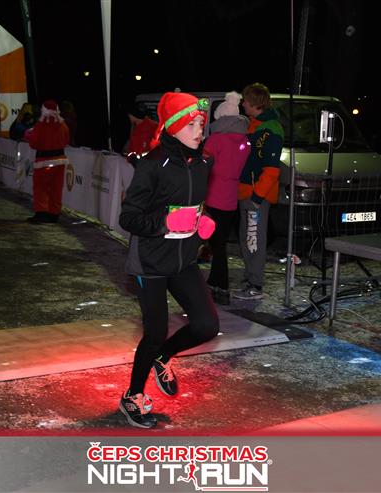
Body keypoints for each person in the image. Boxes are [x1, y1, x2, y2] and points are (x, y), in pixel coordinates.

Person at [118, 92, 219, 428]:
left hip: (183, 260)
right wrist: (165, 223)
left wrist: (202, 222)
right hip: (150, 262)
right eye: (191, 125)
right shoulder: (152, 164)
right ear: (173, 126)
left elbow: (194, 204)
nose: (199, 131)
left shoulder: (204, 163)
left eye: (201, 124)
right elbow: (128, 218)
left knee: (207, 325)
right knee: (155, 332)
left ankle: (164, 357)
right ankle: (132, 396)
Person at [233, 83, 284, 300]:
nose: (243, 103)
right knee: (247, 239)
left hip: (256, 196)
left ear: (254, 102)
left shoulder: (270, 129)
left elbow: (271, 170)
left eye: (245, 100)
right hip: (247, 192)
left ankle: (255, 285)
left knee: (253, 240)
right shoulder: (255, 125)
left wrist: (256, 197)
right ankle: (250, 280)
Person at [203, 91, 251, 305]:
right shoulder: (245, 141)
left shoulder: (215, 140)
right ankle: (215, 281)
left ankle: (221, 285)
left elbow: (204, 165)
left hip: (213, 195)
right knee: (219, 241)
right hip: (231, 198)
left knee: (215, 243)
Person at [25, 99, 70, 224]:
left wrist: (29, 136)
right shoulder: (63, 125)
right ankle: (54, 214)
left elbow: (34, 143)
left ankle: (41, 214)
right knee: (56, 188)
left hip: (44, 161)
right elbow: (66, 140)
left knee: (41, 187)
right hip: (60, 161)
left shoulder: (40, 125)